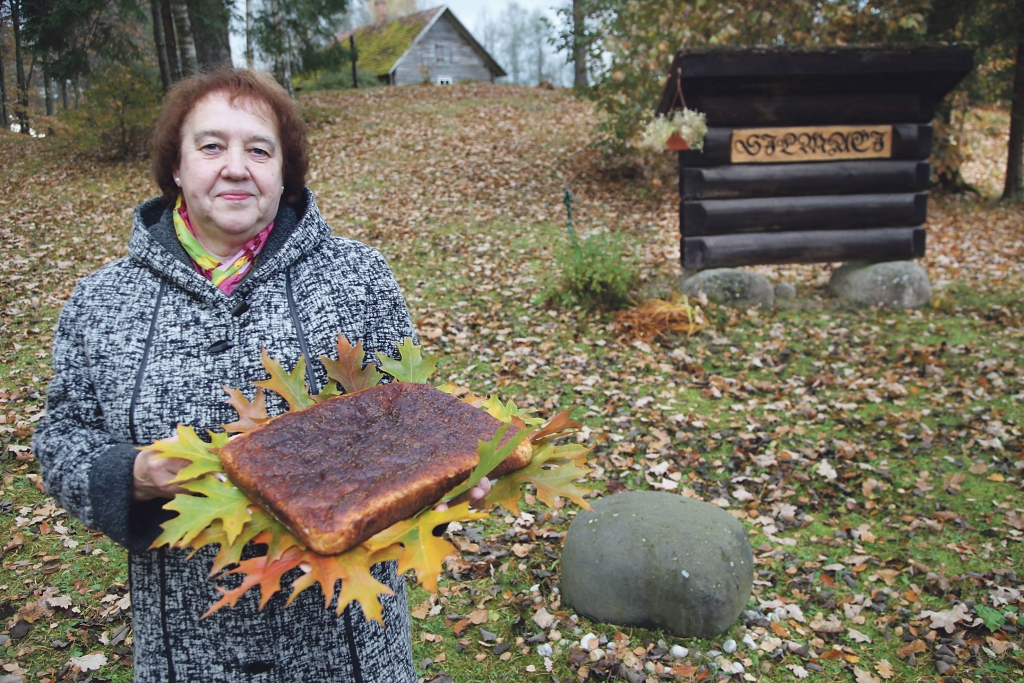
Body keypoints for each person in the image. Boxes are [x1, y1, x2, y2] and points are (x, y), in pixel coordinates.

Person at [34, 69, 426, 682]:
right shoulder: (101, 301)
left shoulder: (360, 277)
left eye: (259, 149)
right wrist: (132, 474)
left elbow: (411, 417)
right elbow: (62, 436)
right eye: (211, 145)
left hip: (346, 644)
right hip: (184, 644)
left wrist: (442, 483)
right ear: (176, 168)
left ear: (283, 173)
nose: (236, 167)